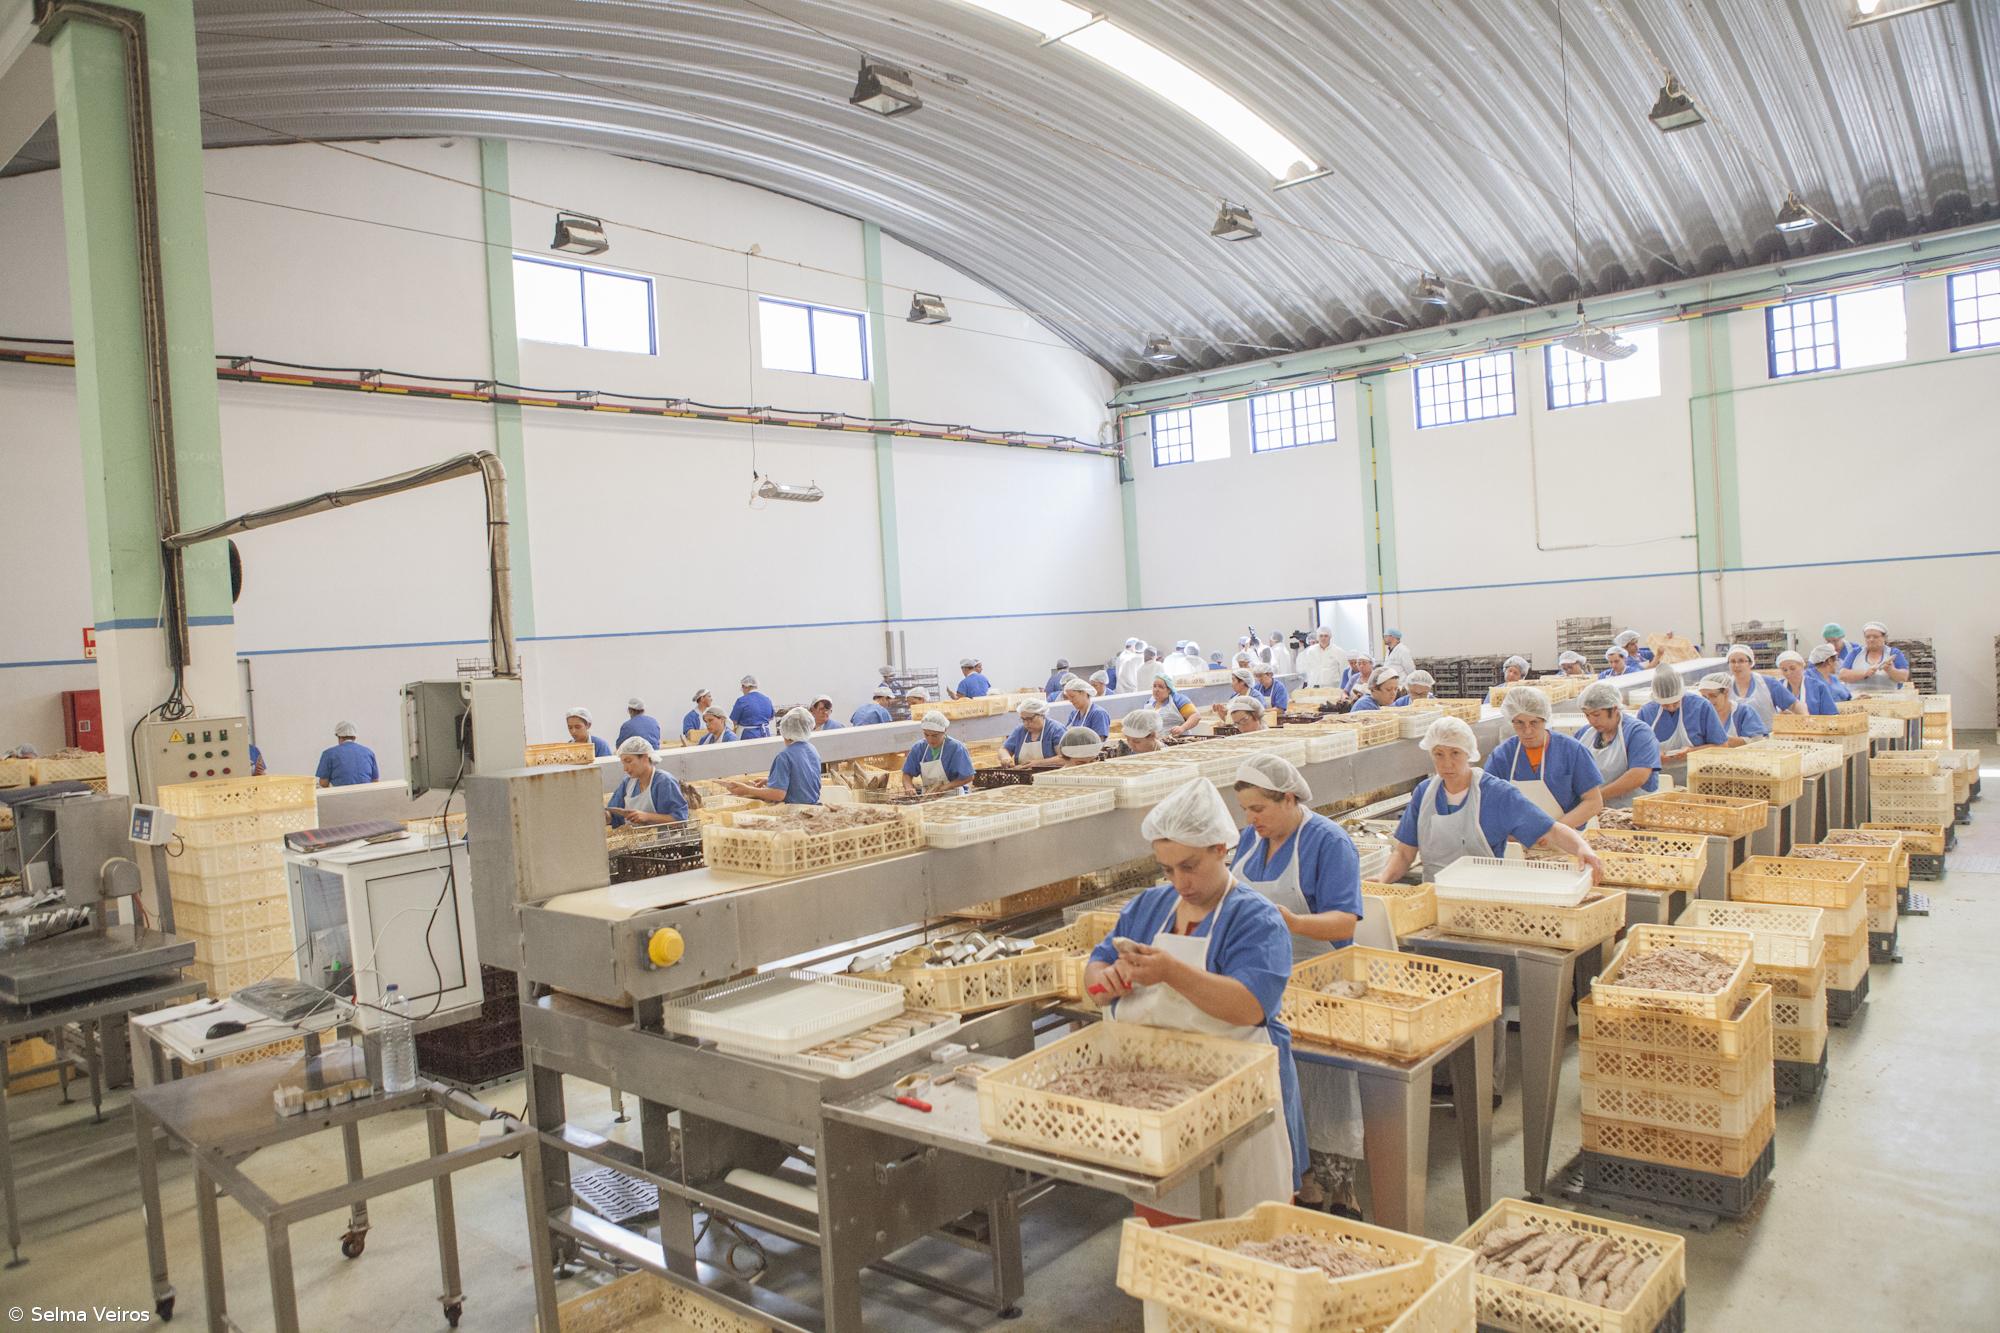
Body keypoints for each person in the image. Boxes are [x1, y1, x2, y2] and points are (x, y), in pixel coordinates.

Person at [1086, 779, 1307, 1221]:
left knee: (1246, 1235)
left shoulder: (1255, 918)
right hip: (1160, 1101)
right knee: (1169, 1227)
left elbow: (1250, 1005)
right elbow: (1095, 968)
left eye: (1189, 866)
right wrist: (1104, 980)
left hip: (1240, 1104)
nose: (1179, 882)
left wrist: (1170, 972)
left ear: (1221, 848)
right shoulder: (1149, 906)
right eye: (1167, 869)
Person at [1228, 753, 1365, 1205]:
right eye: (1245, 810)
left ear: (1288, 799)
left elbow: (1345, 923)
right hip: (1265, 980)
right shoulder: (1250, 841)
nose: (1251, 820)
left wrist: (1290, 922)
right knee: (1280, 1090)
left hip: (1320, 982)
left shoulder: (1328, 841)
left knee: (1321, 1090)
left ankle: (1334, 1189)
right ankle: (1290, 1177)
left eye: (1259, 809)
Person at [1381, 717, 1605, 880]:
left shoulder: (1496, 794)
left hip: (1483, 895)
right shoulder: (1424, 793)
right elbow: (1404, 852)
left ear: (1469, 754)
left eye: (1455, 754)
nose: (1446, 763)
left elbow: (1552, 829)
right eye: (1439, 754)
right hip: (1433, 897)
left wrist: (1583, 849)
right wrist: (1384, 879)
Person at [1484, 687, 1604, 830]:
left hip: (1569, 839)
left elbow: (1593, 801)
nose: (1527, 730)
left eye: (1534, 722)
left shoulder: (1571, 751)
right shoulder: (1502, 756)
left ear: (1545, 719)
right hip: (1519, 842)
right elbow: (1489, 804)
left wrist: (1553, 831)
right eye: (1519, 723)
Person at [1573, 680, 1661, 809]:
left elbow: (1639, 775)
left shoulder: (1638, 732)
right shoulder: (1584, 734)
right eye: (1587, 715)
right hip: (1595, 810)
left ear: (1614, 709)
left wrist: (1595, 798)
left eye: (1597, 715)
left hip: (1634, 811)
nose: (1592, 721)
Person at [724, 708, 824, 805]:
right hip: (814, 806)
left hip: (796, 811)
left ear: (784, 731)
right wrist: (772, 781)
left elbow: (778, 794)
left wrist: (747, 790)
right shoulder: (812, 750)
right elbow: (803, 779)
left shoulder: (785, 756)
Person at [1637, 668, 1727, 762]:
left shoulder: (1701, 707)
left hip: (1697, 771)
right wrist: (1654, 755)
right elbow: (1636, 750)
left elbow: (1722, 746)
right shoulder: (1646, 712)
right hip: (1661, 774)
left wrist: (1693, 752)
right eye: (1665, 705)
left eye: (1675, 703)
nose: (1671, 707)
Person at [606, 736, 689, 826]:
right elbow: (613, 814)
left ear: (645, 757)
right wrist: (606, 816)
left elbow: (680, 819)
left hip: (665, 838)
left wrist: (647, 816)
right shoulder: (628, 783)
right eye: (623, 763)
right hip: (637, 838)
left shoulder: (664, 782)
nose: (625, 768)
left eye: (629, 761)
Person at [1723, 644, 1802, 726]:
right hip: (1736, 737)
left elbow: (1794, 705)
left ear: (1750, 663)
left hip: (1767, 736)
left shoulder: (1768, 683)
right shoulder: (1724, 687)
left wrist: (1807, 723)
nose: (1736, 665)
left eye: (1741, 661)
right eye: (1732, 661)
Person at [901, 712, 974, 796]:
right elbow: (907, 774)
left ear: (944, 731)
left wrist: (945, 787)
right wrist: (909, 787)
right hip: (928, 796)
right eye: (926, 734)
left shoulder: (956, 748)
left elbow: (968, 777)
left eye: (935, 735)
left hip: (953, 796)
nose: (930, 739)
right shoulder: (919, 748)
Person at [1839, 621, 1909, 694]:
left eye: (1875, 637)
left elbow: (1903, 677)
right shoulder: (1855, 653)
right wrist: (1865, 673)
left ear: (1884, 638)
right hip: (1857, 699)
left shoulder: (1893, 653)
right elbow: (1842, 675)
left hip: (1887, 699)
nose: (1871, 640)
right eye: (1868, 637)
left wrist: (1890, 670)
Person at [1696, 674, 1768, 744]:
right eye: (1704, 697)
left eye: (1713, 696)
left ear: (1726, 692)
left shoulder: (1743, 712)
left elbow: (1758, 741)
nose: (1709, 701)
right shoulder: (1702, 715)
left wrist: (1722, 740)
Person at [315, 722, 380, 788]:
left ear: (338, 736)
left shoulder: (328, 753)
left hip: (340, 795)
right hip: (365, 795)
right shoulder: (369, 752)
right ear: (354, 737)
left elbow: (323, 783)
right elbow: (375, 780)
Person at [1003, 698, 1066, 765]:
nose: (1026, 723)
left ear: (1042, 715)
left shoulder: (1056, 730)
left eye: (1030, 719)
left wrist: (1038, 763)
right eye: (1023, 719)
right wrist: (1005, 758)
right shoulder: (1020, 731)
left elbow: (1064, 759)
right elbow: (1004, 749)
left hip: (1050, 774)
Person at [1777, 651, 1839, 717]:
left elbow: (1831, 716)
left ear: (1802, 666)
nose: (1788, 673)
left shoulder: (1818, 687)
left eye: (1792, 668)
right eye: (1784, 670)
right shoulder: (1777, 688)